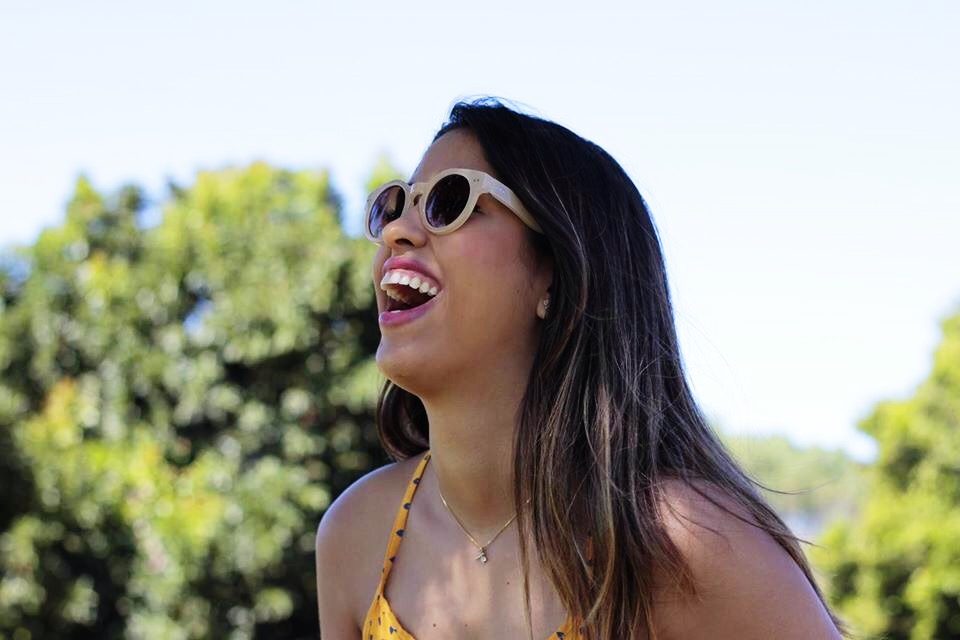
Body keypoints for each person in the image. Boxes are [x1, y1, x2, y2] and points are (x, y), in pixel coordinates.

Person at [315, 97, 850, 639]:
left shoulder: (684, 545)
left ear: (556, 269)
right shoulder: (357, 536)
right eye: (393, 207)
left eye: (449, 201)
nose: (397, 232)